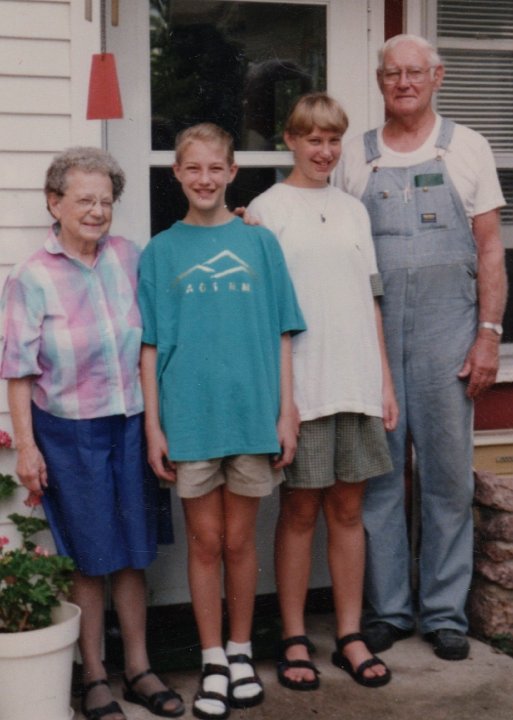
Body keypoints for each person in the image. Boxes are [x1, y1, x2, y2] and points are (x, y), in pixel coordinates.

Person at [337, 34, 507, 661]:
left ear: (437, 77)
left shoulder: (468, 147)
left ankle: (443, 613)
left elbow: (490, 247)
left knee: (443, 477)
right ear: (380, 82)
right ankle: (388, 610)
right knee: (379, 477)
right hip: (375, 337)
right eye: (392, 74)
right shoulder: (357, 156)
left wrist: (488, 335)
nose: (404, 82)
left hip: (448, 334)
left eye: (415, 72)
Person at [0, 147, 184, 720]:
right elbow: (18, 370)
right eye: (84, 200)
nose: (98, 210)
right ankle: (95, 678)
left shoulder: (129, 257)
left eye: (106, 200)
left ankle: (139, 667)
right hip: (69, 432)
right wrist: (26, 447)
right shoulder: (33, 276)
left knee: (132, 554)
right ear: (54, 203)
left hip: (129, 423)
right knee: (88, 556)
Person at [138, 123, 305, 720]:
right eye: (193, 169)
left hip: (252, 413)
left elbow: (284, 333)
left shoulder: (261, 245)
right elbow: (151, 347)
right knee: (204, 543)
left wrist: (286, 412)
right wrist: (155, 428)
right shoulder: (160, 252)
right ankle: (211, 657)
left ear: (232, 172)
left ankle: (240, 651)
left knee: (240, 541)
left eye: (216, 168)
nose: (205, 179)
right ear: (177, 174)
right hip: (190, 418)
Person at [248, 93, 398, 690]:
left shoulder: (354, 209)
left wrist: (384, 381)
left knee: (349, 510)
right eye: (313, 139)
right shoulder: (266, 209)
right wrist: (278, 398)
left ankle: (350, 633)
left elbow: (372, 298)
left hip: (357, 381)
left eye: (333, 140)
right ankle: (292, 636)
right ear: (290, 140)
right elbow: (262, 314)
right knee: (300, 510)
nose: (324, 151)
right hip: (302, 386)